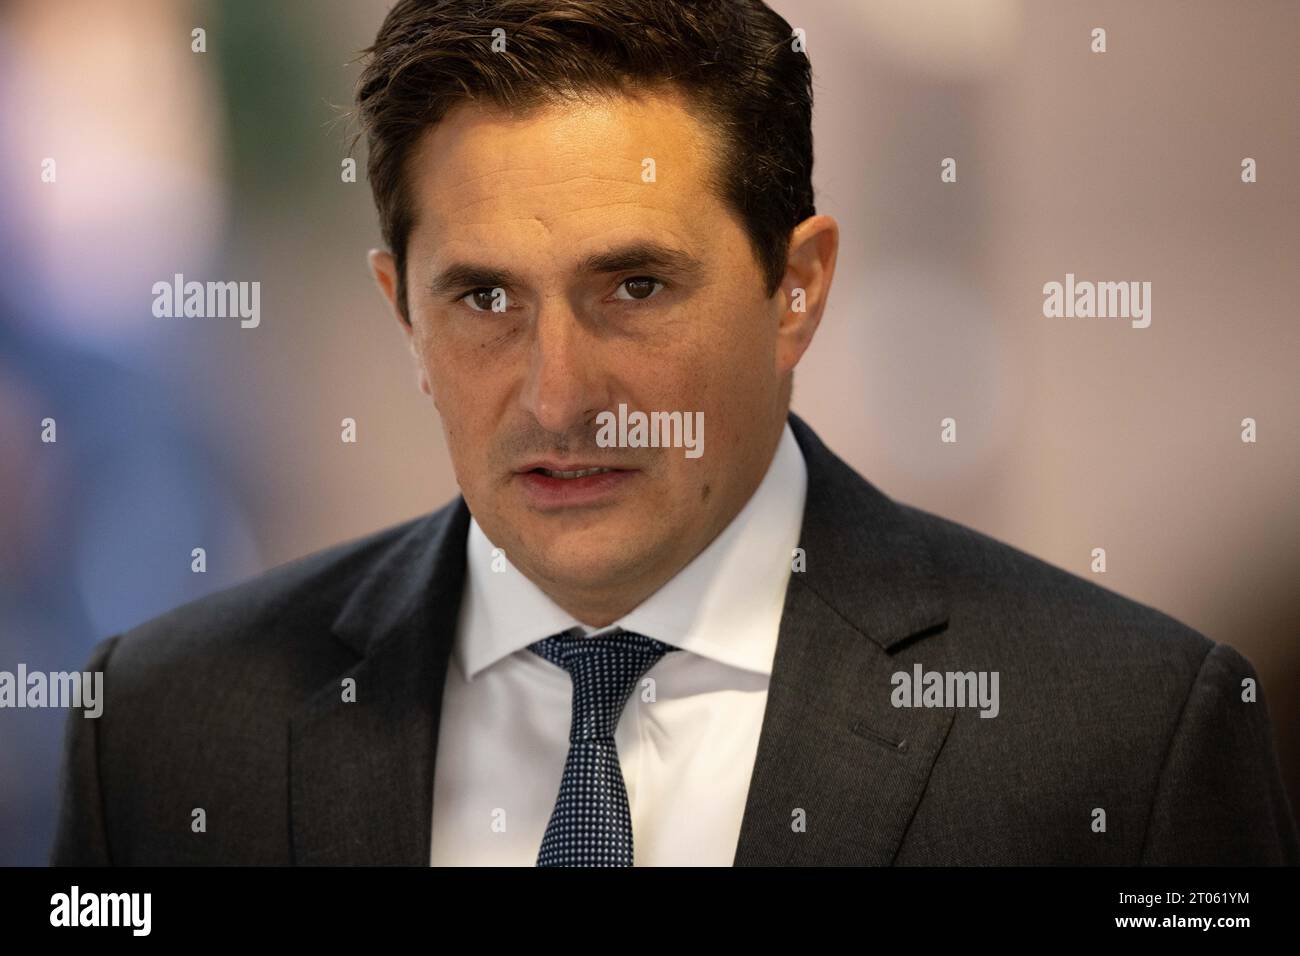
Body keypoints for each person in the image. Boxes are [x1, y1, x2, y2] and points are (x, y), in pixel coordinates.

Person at [51, 0, 1297, 866]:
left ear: (795, 289)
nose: (556, 395)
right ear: (400, 308)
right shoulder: (169, 728)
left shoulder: (1122, 739)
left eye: (635, 288)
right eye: (484, 299)